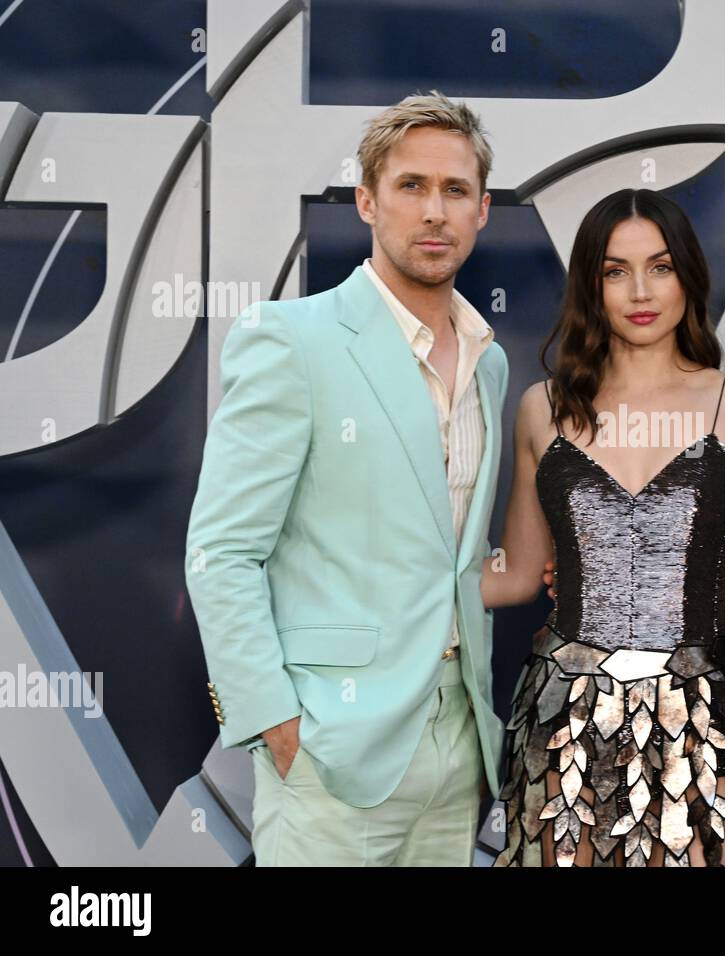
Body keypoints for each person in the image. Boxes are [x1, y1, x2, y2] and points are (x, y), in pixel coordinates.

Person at [185, 91, 507, 865]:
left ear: (482, 210)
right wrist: (278, 725)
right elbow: (221, 552)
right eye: (411, 186)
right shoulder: (290, 341)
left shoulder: (488, 362)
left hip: (460, 744)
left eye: (455, 190)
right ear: (367, 200)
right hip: (333, 752)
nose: (435, 211)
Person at [482, 188, 725, 866]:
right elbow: (518, 574)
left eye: (661, 267)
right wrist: (372, 597)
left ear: (689, 277)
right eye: (615, 271)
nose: (640, 291)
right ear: (591, 285)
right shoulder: (542, 408)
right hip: (565, 713)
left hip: (704, 715)